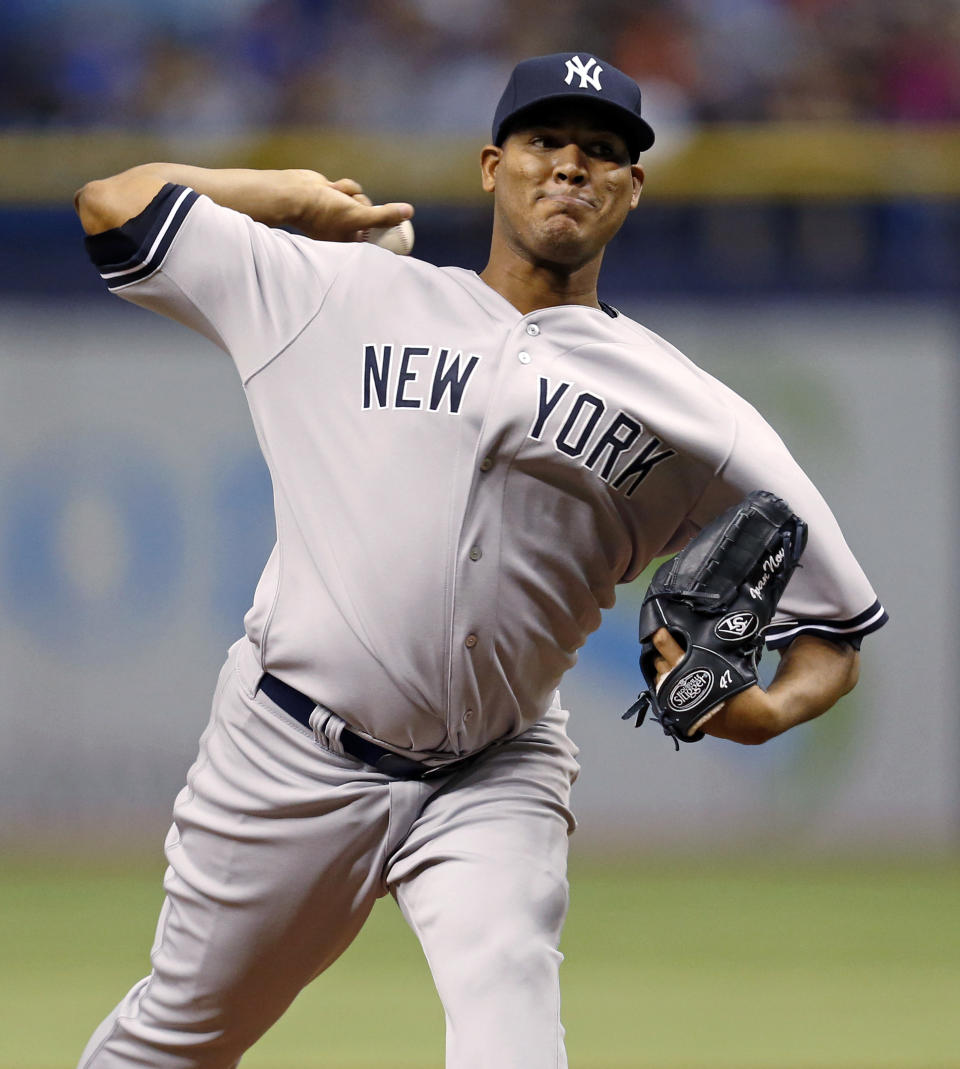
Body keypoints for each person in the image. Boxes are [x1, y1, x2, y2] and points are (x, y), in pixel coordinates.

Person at [73, 52, 886, 1068]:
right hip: (288, 751)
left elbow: (835, 629)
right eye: (546, 142)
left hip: (495, 769)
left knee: (511, 1032)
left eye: (602, 153)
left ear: (633, 190)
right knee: (177, 1042)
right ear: (493, 166)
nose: (571, 168)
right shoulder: (337, 293)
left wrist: (770, 712)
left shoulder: (701, 418)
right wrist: (287, 192)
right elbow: (114, 206)